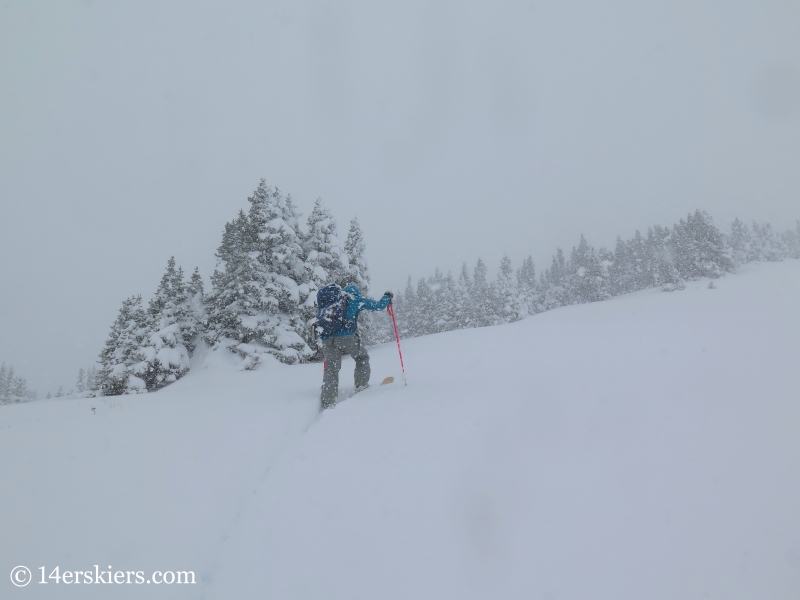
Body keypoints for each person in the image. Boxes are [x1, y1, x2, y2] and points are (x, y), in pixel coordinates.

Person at [319, 285, 393, 409]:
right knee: (361, 358)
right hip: (347, 337)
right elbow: (379, 305)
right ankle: (361, 386)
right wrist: (387, 297)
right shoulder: (356, 300)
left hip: (327, 339)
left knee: (331, 369)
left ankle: (328, 400)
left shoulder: (333, 303)